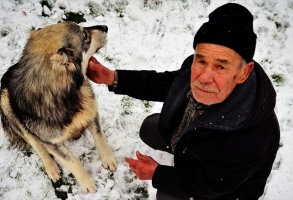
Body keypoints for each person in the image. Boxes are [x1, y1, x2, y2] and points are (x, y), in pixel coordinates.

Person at [87, 3, 280, 200]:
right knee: (149, 128)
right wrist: (112, 78)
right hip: (193, 142)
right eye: (201, 60)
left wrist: (157, 174)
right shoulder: (193, 68)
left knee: (167, 195)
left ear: (243, 73)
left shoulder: (252, 139)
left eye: (221, 67)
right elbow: (166, 84)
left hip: (225, 191)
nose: (204, 77)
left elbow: (207, 184)